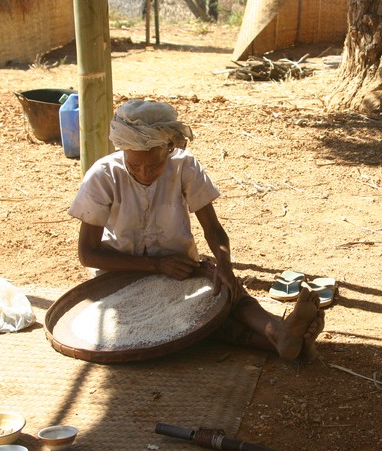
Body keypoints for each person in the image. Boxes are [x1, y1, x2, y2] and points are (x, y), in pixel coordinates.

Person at [68, 99, 324, 361]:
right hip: (118, 278)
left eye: (154, 165)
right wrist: (157, 265)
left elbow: (213, 229)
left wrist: (224, 264)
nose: (144, 173)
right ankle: (283, 338)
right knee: (192, 324)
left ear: (169, 148)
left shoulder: (185, 167)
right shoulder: (102, 176)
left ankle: (282, 336)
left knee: (224, 294)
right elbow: (88, 254)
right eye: (134, 166)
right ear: (122, 150)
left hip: (180, 270)